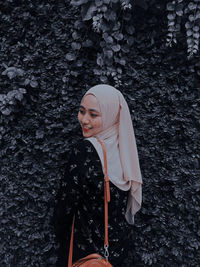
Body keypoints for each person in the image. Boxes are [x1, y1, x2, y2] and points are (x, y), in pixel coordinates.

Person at [53, 84, 142, 266]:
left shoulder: (84, 151)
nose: (84, 120)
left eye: (93, 115)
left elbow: (64, 208)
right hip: (117, 254)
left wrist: (59, 233)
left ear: (111, 116)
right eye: (81, 111)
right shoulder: (125, 151)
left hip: (85, 254)